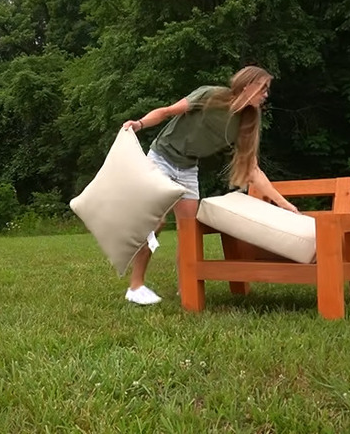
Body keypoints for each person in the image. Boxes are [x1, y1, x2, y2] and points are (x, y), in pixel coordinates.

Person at [121, 65, 299, 305]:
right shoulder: (210, 95)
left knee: (189, 231)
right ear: (247, 85)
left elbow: (253, 171)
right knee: (156, 221)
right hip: (161, 157)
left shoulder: (247, 122)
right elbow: (167, 111)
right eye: (263, 87)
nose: (266, 94)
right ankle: (136, 286)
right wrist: (139, 124)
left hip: (187, 169)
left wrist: (284, 204)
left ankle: (187, 287)